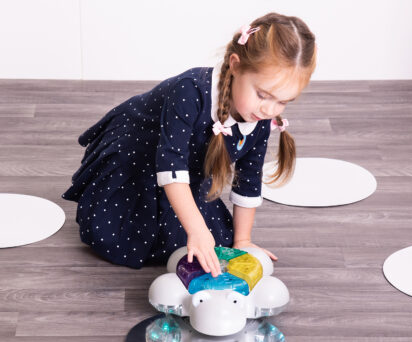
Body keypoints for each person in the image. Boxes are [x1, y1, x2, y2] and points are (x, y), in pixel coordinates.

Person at [62, 12, 317, 277]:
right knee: (126, 235)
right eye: (263, 95)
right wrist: (196, 230)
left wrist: (243, 241)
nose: (269, 109)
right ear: (235, 65)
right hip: (138, 154)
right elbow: (170, 165)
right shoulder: (190, 91)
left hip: (186, 166)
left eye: (283, 102)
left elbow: (249, 180)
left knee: (213, 239)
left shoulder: (261, 119)